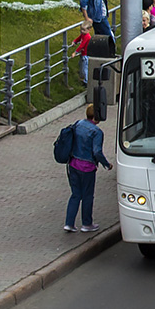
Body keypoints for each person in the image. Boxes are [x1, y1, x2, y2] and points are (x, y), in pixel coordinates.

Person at [64, 104, 113, 233]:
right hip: (87, 168)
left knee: (75, 195)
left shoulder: (78, 124)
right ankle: (87, 224)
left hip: (73, 164)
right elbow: (97, 152)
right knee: (87, 196)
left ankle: (69, 223)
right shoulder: (96, 132)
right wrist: (106, 164)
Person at [72, 20, 92, 85]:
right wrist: (74, 41)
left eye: (84, 30)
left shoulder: (87, 37)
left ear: (89, 30)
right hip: (83, 54)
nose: (82, 31)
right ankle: (84, 79)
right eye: (81, 29)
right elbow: (79, 38)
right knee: (81, 66)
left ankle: (86, 82)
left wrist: (75, 52)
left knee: (85, 69)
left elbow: (82, 45)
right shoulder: (83, 35)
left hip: (86, 54)